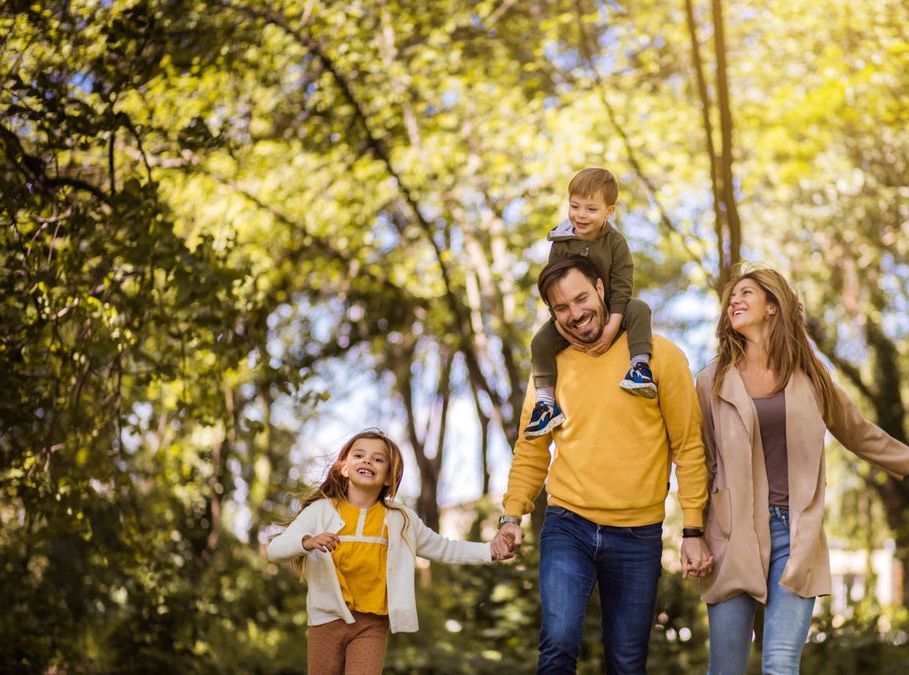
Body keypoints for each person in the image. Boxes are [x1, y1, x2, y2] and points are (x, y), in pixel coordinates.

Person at [696, 267, 909, 675]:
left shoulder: (810, 377)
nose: (733, 303)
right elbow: (699, 459)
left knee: (780, 665)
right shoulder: (712, 381)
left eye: (745, 294)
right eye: (730, 299)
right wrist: (694, 533)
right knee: (725, 668)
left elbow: (856, 429)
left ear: (773, 307)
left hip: (795, 534)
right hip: (732, 533)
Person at [494, 256, 713, 674]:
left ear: (600, 288)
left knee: (627, 662)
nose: (575, 314)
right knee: (557, 644)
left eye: (581, 298)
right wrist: (512, 514)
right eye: (561, 308)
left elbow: (688, 446)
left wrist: (693, 529)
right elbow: (531, 448)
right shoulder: (548, 370)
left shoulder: (660, 357)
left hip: (638, 534)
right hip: (568, 524)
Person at [268, 429, 513, 675]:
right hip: (326, 620)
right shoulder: (321, 511)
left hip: (372, 624)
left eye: (378, 459)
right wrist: (307, 541)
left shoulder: (400, 519)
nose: (367, 461)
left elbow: (444, 548)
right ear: (344, 468)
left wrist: (490, 550)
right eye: (359, 455)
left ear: (388, 477)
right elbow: (275, 550)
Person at [524, 167, 657, 440]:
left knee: (640, 308)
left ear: (609, 212)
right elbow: (553, 289)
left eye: (591, 209)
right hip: (571, 315)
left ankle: (640, 367)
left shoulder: (616, 243)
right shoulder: (560, 242)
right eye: (574, 206)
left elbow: (622, 287)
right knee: (540, 342)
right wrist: (563, 330)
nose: (581, 215)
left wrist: (612, 327)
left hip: (612, 310)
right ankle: (546, 402)